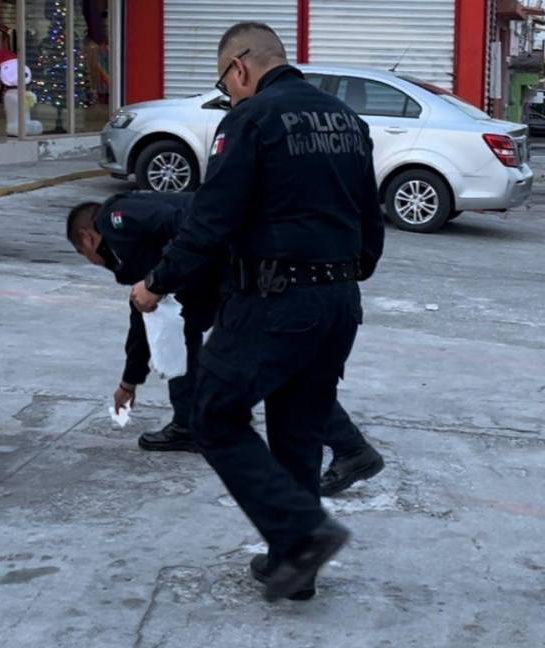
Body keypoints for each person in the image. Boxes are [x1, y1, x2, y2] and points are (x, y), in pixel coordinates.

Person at [128, 22, 385, 601]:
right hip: (339, 303)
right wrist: (343, 276)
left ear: (240, 68)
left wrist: (156, 282)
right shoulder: (348, 120)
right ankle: (294, 571)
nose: (228, 93)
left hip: (274, 300)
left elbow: (210, 222)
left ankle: (302, 533)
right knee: (298, 431)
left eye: (226, 82)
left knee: (214, 416)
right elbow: (370, 225)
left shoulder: (250, 120)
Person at [66, 193, 385, 496]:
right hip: (217, 278)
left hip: (247, 274)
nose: (93, 262)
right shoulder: (134, 245)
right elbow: (145, 314)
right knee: (178, 328)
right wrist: (129, 381)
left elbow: (188, 219)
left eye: (85, 254)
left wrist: (166, 272)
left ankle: (352, 449)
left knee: (269, 366)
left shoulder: (115, 218)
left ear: (87, 237)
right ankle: (187, 423)